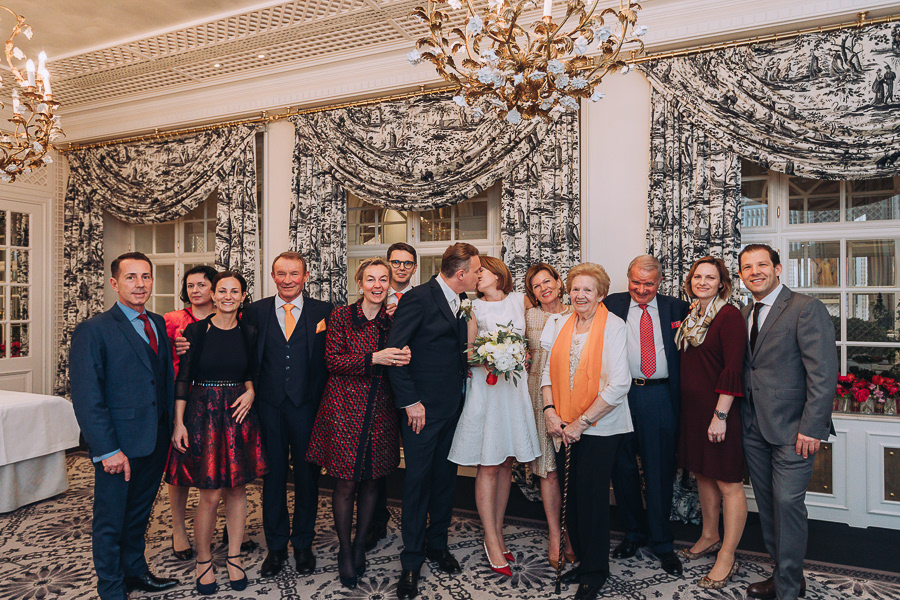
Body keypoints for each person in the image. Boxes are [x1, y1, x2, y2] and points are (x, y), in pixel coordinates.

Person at [69, 252, 179, 600]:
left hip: (155, 440)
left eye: (145, 276)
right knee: (110, 520)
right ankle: (111, 588)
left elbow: (160, 378)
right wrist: (106, 450)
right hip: (119, 446)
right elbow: (87, 396)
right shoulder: (94, 330)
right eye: (131, 277)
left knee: (139, 515)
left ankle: (135, 572)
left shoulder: (157, 323)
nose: (140, 284)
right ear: (114, 283)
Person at [739, 244, 837, 600]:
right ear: (741, 275)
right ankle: (784, 576)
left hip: (794, 430)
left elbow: (823, 373)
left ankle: (788, 589)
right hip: (754, 427)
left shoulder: (805, 308)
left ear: (778, 268)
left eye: (762, 265)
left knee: (787, 506)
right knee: (768, 507)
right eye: (747, 267)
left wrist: (812, 427)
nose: (755, 272)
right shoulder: (745, 312)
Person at [307, 258, 409, 588]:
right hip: (343, 407)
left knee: (372, 481)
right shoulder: (340, 315)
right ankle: (345, 549)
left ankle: (361, 542)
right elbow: (333, 360)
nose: (377, 285)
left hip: (381, 407)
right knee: (345, 483)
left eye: (383, 279)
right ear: (360, 283)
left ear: (390, 284)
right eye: (371, 279)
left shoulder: (394, 320)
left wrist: (405, 355)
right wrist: (374, 358)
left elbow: (404, 359)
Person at [387, 242, 481, 600]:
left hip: (452, 408)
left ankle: (437, 544)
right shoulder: (419, 298)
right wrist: (411, 402)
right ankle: (411, 561)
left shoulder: (461, 300)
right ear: (461, 274)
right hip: (421, 412)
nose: (479, 276)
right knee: (417, 484)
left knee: (445, 480)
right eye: (476, 271)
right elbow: (396, 354)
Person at [165, 271, 268, 594]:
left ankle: (234, 557)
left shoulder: (250, 331)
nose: (227, 297)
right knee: (209, 494)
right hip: (202, 412)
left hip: (238, 412)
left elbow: (253, 372)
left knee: (237, 489)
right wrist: (178, 423)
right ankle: (204, 561)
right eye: (222, 290)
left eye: (234, 291)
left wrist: (251, 392)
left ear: (243, 297)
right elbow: (183, 378)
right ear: (213, 294)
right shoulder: (195, 331)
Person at [541, 263, 632, 600]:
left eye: (588, 290)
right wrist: (550, 412)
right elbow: (546, 373)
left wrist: (581, 422)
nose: (580, 295)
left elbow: (619, 384)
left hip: (601, 426)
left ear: (601, 294)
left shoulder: (615, 326)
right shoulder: (559, 323)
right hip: (563, 424)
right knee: (572, 498)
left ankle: (595, 572)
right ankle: (582, 560)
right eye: (575, 289)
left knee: (592, 499)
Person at [448, 256, 541, 576]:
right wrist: (492, 355)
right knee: (488, 464)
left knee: (506, 462)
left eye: (481, 271)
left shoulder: (520, 301)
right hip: (487, 390)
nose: (476, 276)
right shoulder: (471, 307)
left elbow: (538, 333)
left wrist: (522, 354)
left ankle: (499, 531)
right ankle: (490, 537)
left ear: (498, 275)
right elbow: (468, 352)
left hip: (513, 391)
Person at [604, 254, 689, 576]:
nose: (641, 289)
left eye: (649, 284)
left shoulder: (678, 309)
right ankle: (633, 534)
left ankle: (662, 542)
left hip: (658, 395)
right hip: (620, 395)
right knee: (622, 468)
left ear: (660, 282)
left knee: (659, 471)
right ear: (628, 278)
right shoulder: (611, 304)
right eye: (636, 282)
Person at [673, 257, 747, 589]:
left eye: (710, 277)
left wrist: (721, 416)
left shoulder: (728, 316)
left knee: (728, 482)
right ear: (690, 281)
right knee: (703, 473)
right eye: (697, 277)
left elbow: (733, 368)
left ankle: (727, 555)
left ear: (722, 283)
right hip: (692, 411)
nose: (702, 282)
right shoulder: (694, 315)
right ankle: (709, 535)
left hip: (719, 412)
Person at [163, 264, 218, 561]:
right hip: (182, 400)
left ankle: (229, 525)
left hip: (218, 401)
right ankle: (178, 530)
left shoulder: (230, 315)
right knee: (179, 466)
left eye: (201, 284)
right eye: (190, 285)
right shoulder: (172, 320)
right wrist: (174, 348)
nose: (195, 290)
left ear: (214, 288)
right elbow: (159, 359)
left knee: (221, 464)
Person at [367, 242, 419, 551]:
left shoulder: (422, 298)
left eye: (407, 263)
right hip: (378, 392)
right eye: (395, 262)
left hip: (412, 394)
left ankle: (416, 529)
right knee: (376, 462)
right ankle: (375, 522)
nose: (401, 267)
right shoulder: (373, 297)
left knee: (415, 462)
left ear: (414, 268)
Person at [523, 262, 575, 569]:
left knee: (574, 468)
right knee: (549, 469)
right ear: (532, 293)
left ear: (558, 281)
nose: (544, 288)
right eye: (536, 286)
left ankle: (574, 531)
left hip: (573, 393)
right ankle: (556, 535)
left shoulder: (577, 311)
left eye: (547, 281)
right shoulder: (528, 316)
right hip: (538, 396)